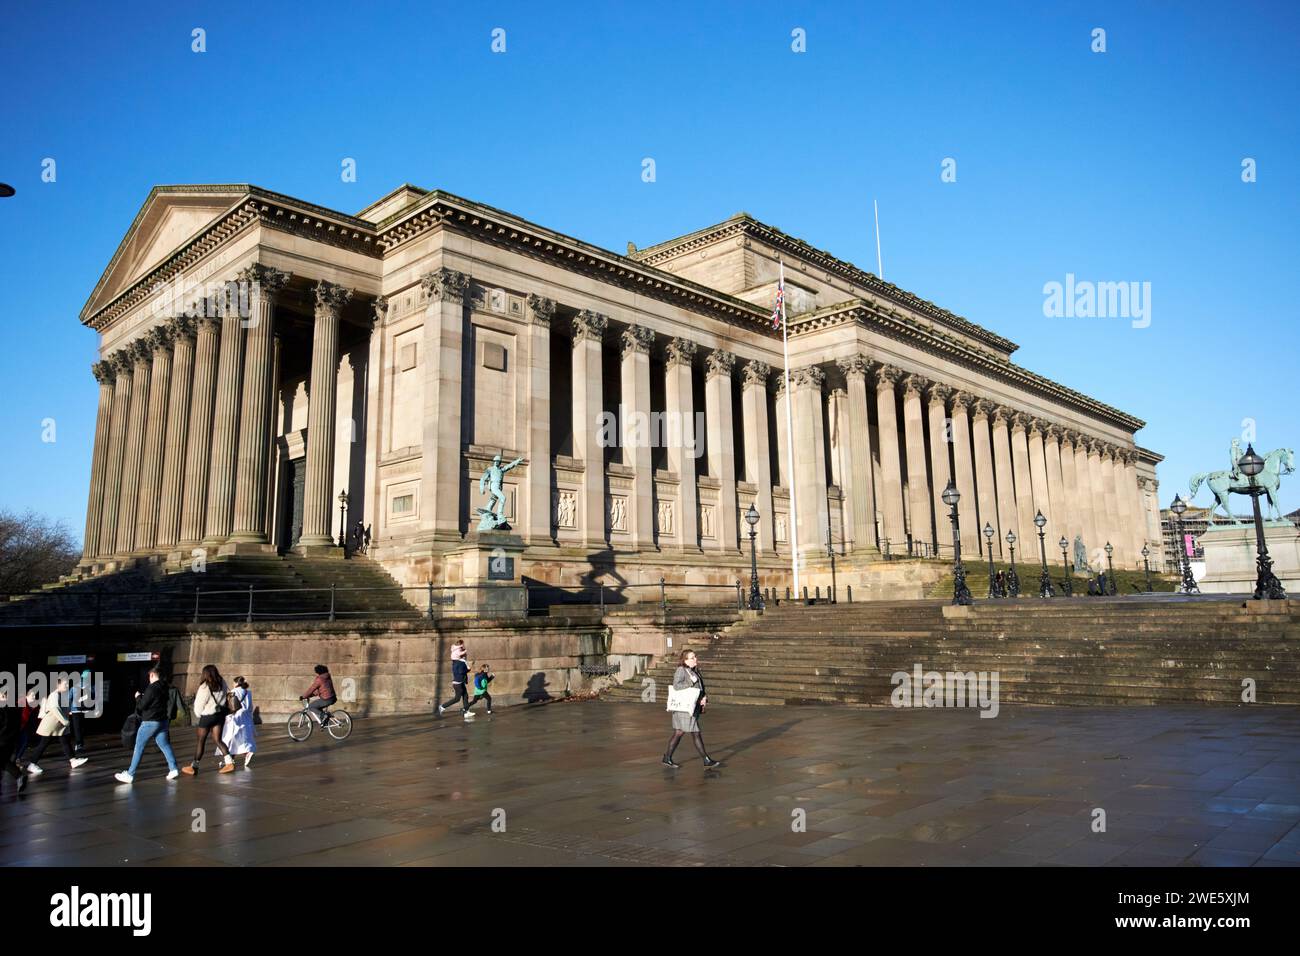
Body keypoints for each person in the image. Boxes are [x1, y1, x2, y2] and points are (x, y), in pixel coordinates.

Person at [114, 667, 180, 783]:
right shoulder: (165, 687)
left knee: (139, 747)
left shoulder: (152, 688)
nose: (149, 679)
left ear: (153, 675)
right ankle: (173, 768)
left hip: (150, 722)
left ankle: (130, 774)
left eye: (149, 676)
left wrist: (138, 697)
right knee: (164, 745)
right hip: (162, 722)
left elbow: (141, 706)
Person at [663, 649, 721, 770]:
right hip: (684, 709)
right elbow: (676, 686)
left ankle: (667, 758)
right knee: (696, 732)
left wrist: (703, 697)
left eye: (695, 657)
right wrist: (690, 683)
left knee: (679, 732)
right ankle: (706, 760)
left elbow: (699, 687)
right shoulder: (681, 670)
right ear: (685, 660)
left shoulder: (693, 670)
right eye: (692, 658)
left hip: (690, 707)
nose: (695, 659)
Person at [24, 679, 89, 775]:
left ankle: (73, 760)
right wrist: (65, 721)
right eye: (65, 684)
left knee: (65, 741)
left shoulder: (62, 695)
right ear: (58, 685)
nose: (67, 686)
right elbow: (55, 709)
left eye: (67, 684)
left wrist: (68, 713)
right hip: (51, 724)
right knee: (44, 743)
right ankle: (32, 764)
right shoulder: (54, 695)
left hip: (58, 725)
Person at [183, 666, 234, 775]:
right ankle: (229, 763)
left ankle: (194, 766)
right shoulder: (222, 682)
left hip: (207, 716)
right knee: (218, 740)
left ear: (205, 674)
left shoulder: (204, 687)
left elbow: (198, 706)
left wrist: (199, 715)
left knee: (201, 741)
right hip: (220, 715)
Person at [222, 676, 257, 768]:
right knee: (241, 738)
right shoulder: (248, 692)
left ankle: (245, 754)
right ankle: (232, 759)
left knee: (231, 738)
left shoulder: (233, 691)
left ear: (237, 683)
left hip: (236, 717)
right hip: (246, 717)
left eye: (234, 682)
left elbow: (229, 705)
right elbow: (250, 707)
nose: (233, 684)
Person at [437, 641, 475, 720]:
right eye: (465, 655)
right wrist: (469, 668)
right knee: (457, 698)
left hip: (460, 682)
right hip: (458, 683)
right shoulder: (460, 663)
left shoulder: (457, 662)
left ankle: (466, 712)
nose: (466, 656)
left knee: (465, 696)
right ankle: (442, 707)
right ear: (462, 656)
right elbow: (461, 672)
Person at [0, 691, 28, 794]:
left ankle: (19, 776)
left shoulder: (2, 709)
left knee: (3, 762)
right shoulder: (16, 709)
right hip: (12, 741)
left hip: (2, 740)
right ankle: (19, 777)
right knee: (3, 762)